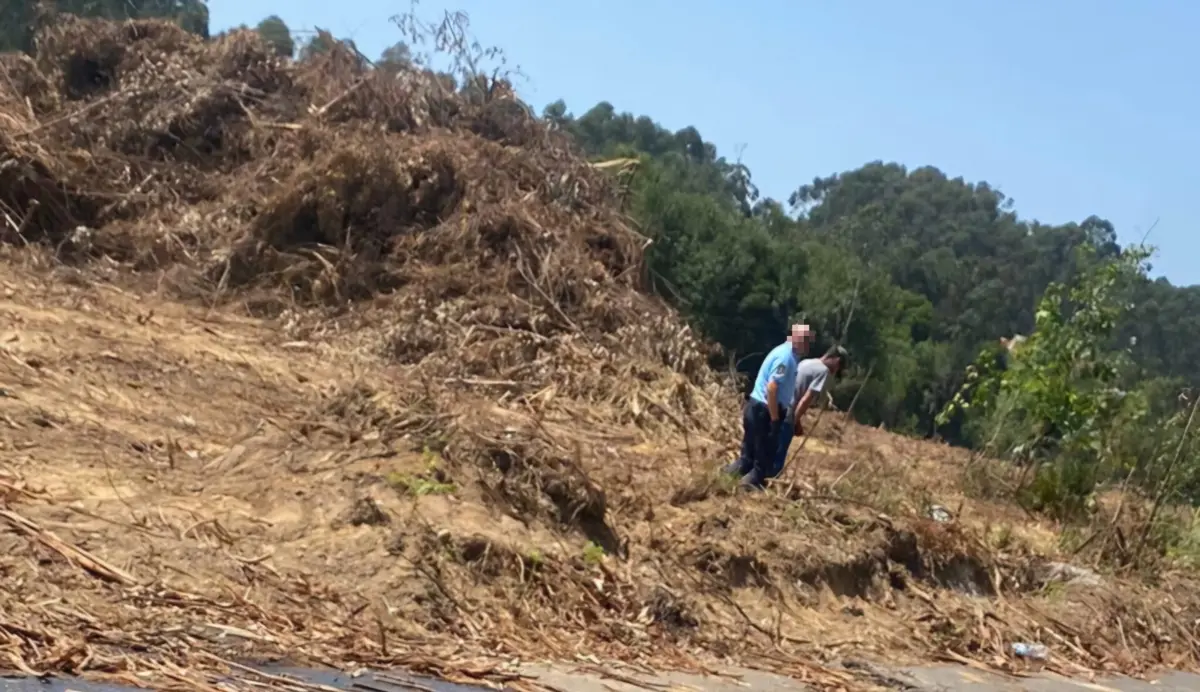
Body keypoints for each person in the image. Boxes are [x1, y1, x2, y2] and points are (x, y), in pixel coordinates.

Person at [724, 324, 812, 489]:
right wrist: (774, 419)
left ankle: (723, 480)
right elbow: (772, 387)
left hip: (756, 406)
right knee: (761, 462)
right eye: (805, 339)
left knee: (747, 458)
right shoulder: (785, 358)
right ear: (794, 337)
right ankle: (746, 491)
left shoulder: (787, 354)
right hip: (765, 410)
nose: (808, 344)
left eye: (809, 340)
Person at [768, 345, 849, 480]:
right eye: (838, 367)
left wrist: (797, 422)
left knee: (769, 447)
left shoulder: (806, 362)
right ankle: (766, 483)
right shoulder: (823, 371)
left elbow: (795, 389)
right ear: (836, 360)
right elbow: (805, 399)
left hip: (777, 406)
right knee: (778, 456)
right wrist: (794, 421)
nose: (835, 372)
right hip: (788, 413)